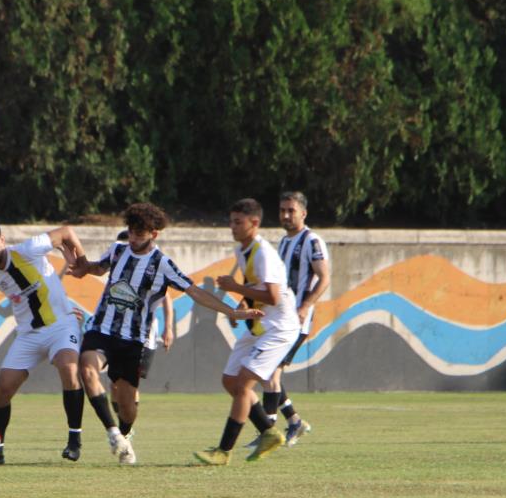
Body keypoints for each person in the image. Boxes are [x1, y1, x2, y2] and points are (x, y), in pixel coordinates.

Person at [70, 203, 257, 465]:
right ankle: (113, 433)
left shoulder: (163, 264)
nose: (133, 238)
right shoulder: (118, 250)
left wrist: (231, 312)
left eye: (139, 233)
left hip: (134, 340)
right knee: (87, 368)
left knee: (128, 407)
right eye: (130, 232)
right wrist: (83, 268)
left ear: (154, 234)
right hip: (102, 329)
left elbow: (194, 292)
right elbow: (98, 267)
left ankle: (124, 434)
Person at [0, 220, 89, 465]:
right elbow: (28, 300)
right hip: (29, 335)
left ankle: (74, 441)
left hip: (60, 326)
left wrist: (83, 261)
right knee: (3, 389)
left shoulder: (27, 249)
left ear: (2, 239)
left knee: (69, 368)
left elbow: (66, 232)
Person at [194, 198, 300, 466]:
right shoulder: (244, 250)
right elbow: (256, 286)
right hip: (258, 324)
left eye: (238, 222)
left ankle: (223, 451)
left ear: (255, 223)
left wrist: (235, 288)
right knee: (230, 381)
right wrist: (241, 306)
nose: (232, 227)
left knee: (242, 385)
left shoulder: (264, 252)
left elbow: (274, 296)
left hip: (278, 328)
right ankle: (269, 432)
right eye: (231, 221)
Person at [247, 191, 329, 449]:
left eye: (290, 210)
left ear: (303, 213)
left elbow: (324, 278)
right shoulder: (283, 242)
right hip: (279, 318)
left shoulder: (312, 241)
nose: (285, 215)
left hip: (297, 321)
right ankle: (294, 422)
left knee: (270, 373)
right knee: (269, 374)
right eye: (282, 210)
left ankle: (267, 432)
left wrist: (305, 306)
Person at [107, 230, 174, 424]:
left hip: (143, 335)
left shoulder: (151, 266)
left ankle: (125, 431)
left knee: (130, 386)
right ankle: (123, 427)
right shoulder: (118, 267)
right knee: (114, 385)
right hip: (118, 333)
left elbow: (166, 296)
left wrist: (168, 328)